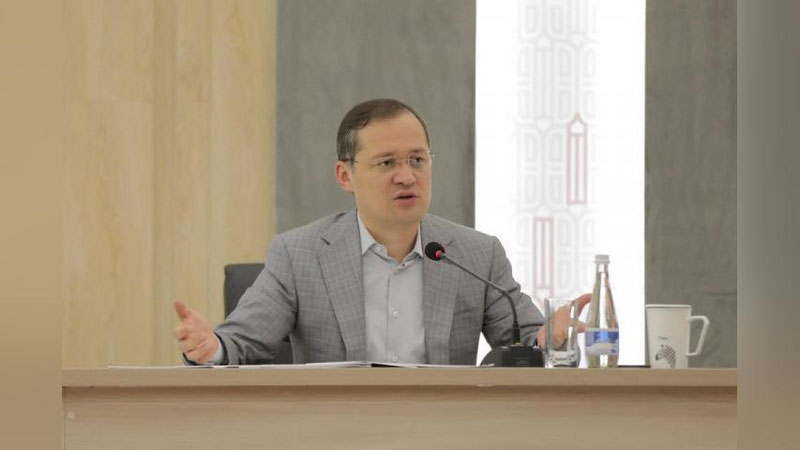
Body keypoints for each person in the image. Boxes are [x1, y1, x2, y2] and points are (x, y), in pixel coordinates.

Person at [174, 98, 588, 365]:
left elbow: (523, 341)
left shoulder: (477, 254)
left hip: (446, 433)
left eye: (417, 160)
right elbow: (241, 343)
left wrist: (549, 338)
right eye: (387, 163)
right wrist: (212, 348)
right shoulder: (299, 255)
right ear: (345, 175)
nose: (406, 176)